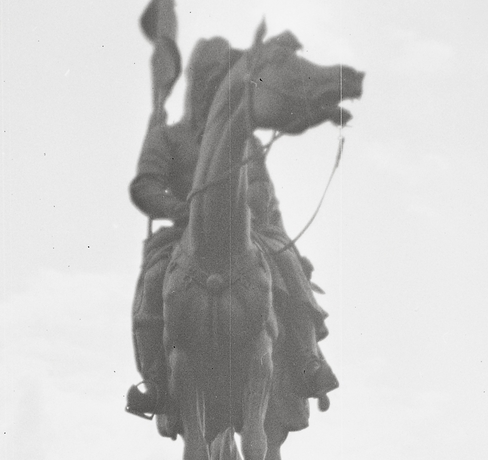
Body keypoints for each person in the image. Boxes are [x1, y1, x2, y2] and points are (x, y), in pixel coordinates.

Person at [126, 37, 338, 437]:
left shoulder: (245, 139)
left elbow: (261, 188)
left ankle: (309, 360)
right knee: (153, 280)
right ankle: (155, 383)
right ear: (199, 83)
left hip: (245, 228)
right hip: (183, 233)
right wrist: (180, 209)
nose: (216, 87)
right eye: (212, 78)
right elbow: (146, 186)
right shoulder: (169, 138)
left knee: (291, 264)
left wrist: (245, 202)